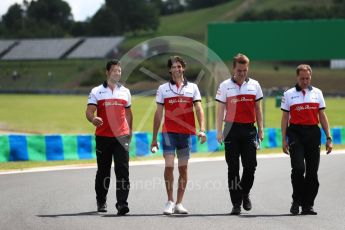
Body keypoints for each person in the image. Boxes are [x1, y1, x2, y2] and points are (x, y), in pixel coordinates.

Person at [151, 56, 207, 215]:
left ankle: (179, 203)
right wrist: (154, 139)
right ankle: (169, 201)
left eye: (179, 66)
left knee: (183, 169)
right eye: (173, 67)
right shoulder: (163, 89)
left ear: (183, 68)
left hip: (186, 134)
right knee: (169, 166)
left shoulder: (193, 88)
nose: (176, 69)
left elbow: (199, 109)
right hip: (169, 133)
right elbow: (158, 114)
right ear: (170, 70)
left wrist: (202, 129)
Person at [281, 64, 332, 215]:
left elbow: (322, 116)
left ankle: (308, 205)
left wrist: (328, 138)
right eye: (302, 78)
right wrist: (284, 139)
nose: (305, 81)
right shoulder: (288, 94)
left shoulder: (318, 93)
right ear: (297, 77)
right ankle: (296, 200)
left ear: (311, 77)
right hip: (295, 133)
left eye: (307, 78)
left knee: (312, 173)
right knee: (298, 169)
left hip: (313, 134)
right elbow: (284, 118)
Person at [215, 53, 264, 215]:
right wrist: (219, 131)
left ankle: (244, 193)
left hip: (249, 130)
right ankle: (236, 203)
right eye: (239, 70)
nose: (242, 73)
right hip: (231, 130)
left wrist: (261, 130)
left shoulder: (255, 85)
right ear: (233, 69)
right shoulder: (224, 86)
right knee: (233, 168)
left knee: (251, 166)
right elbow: (220, 109)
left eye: (245, 70)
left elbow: (258, 109)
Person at [86, 59, 133, 215]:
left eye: (119, 71)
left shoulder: (125, 91)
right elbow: (89, 111)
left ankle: (122, 204)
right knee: (103, 171)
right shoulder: (96, 91)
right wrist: (93, 119)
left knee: (123, 171)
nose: (117, 73)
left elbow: (128, 113)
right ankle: (101, 200)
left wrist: (129, 132)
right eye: (114, 70)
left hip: (121, 137)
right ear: (107, 72)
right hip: (103, 137)